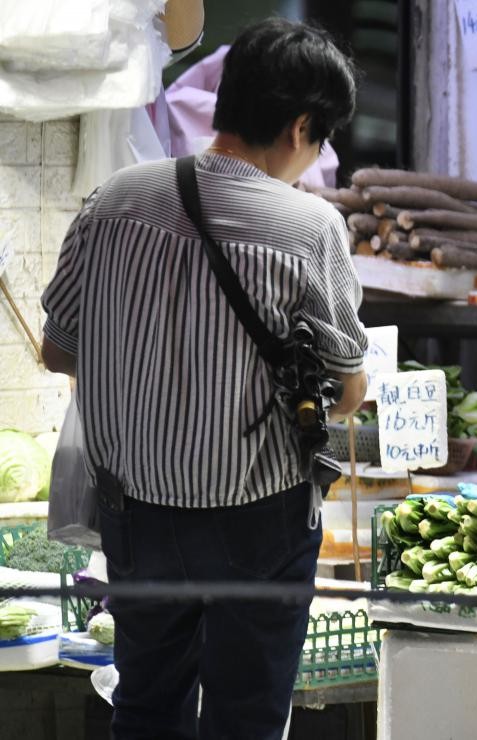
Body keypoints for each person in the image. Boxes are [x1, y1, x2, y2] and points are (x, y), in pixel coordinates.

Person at [40, 18, 368, 739]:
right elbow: (346, 394)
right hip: (258, 522)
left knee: (147, 705)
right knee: (245, 716)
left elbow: (58, 352)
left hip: (136, 514)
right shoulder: (309, 228)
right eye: (322, 139)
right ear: (300, 126)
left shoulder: (112, 203)